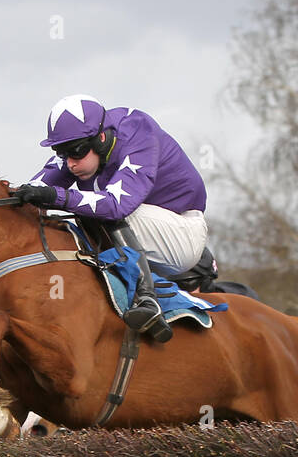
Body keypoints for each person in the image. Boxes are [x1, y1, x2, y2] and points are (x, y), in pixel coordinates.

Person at [12, 94, 210, 342]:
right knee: (82, 210)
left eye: (75, 152)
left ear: (101, 138)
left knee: (98, 208)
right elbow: (35, 187)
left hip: (182, 235)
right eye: (62, 153)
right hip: (146, 229)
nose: (71, 163)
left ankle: (146, 298)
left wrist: (55, 196)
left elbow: (117, 205)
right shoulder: (86, 141)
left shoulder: (139, 132)